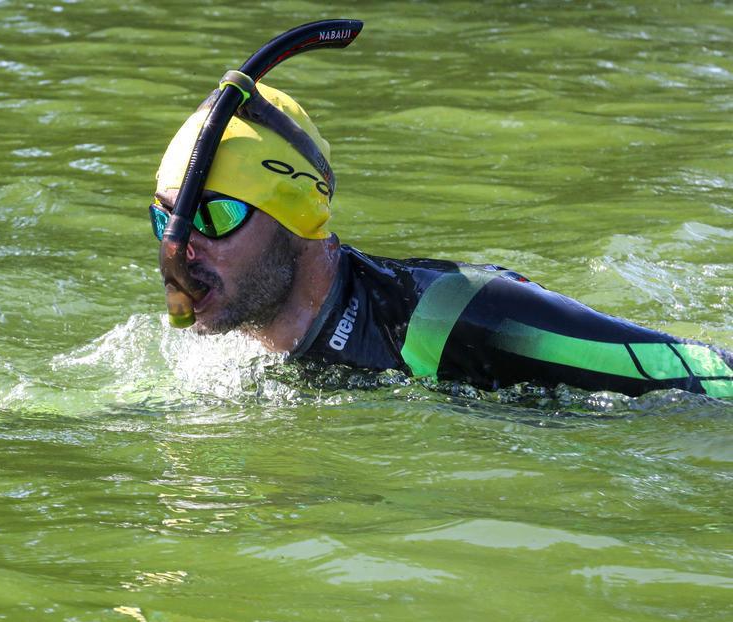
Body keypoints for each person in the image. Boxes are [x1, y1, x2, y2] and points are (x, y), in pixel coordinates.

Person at [149, 83, 733, 399]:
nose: (181, 250)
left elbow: (681, 370)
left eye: (215, 216)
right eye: (166, 220)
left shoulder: (452, 317)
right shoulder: (225, 346)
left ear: (295, 216)